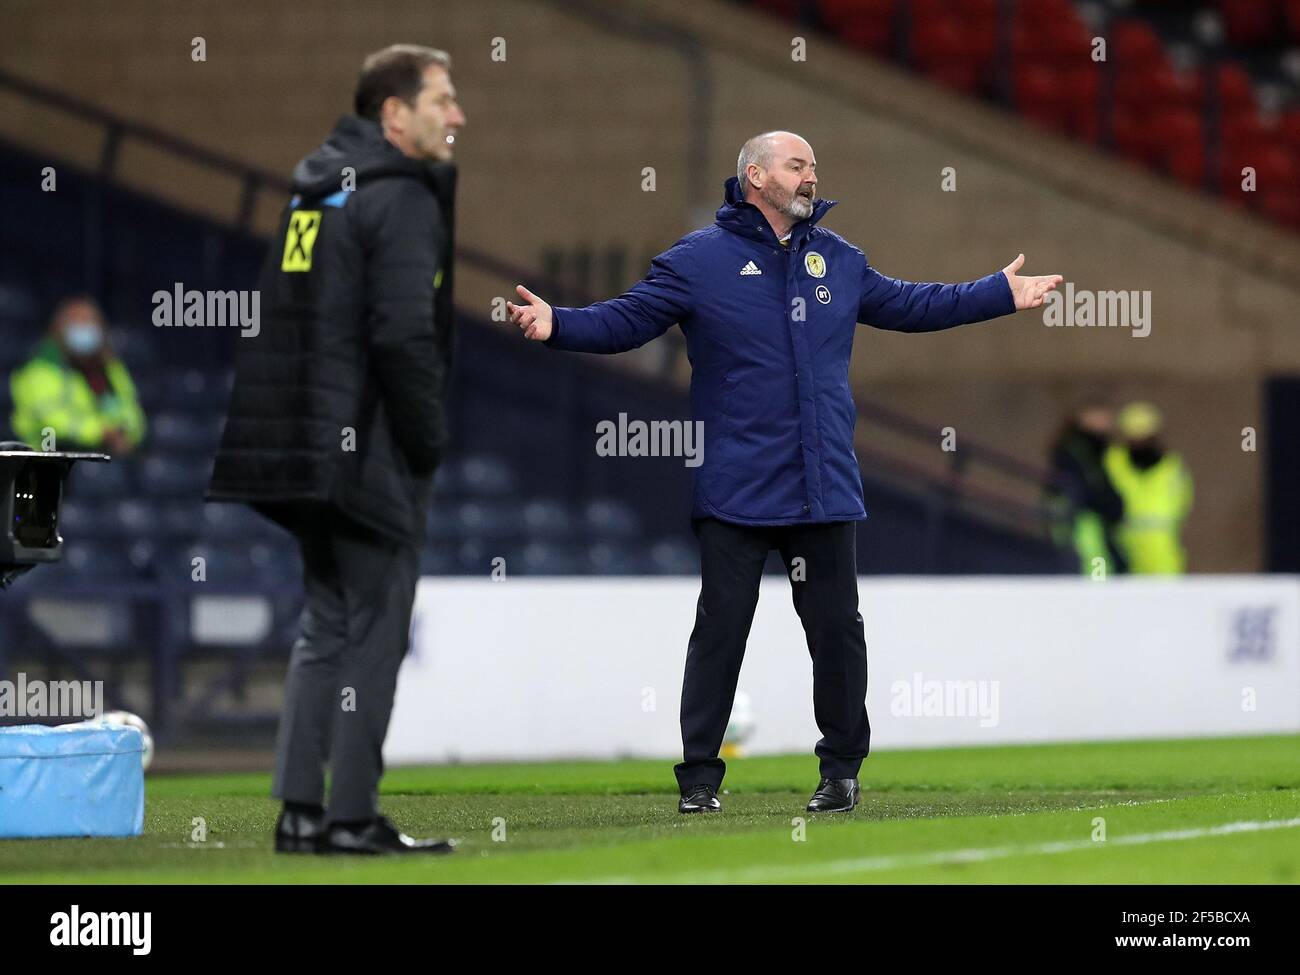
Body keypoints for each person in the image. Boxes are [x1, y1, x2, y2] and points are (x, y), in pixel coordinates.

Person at [508, 131, 1062, 814]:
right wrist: (556, 323)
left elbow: (915, 305)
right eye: (797, 165)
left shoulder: (839, 259)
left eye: (814, 166)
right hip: (736, 486)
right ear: (755, 175)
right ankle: (701, 780)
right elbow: (626, 321)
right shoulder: (697, 261)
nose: (811, 176)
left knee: (837, 632)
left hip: (822, 482)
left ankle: (841, 772)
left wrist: (996, 293)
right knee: (720, 630)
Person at [207, 44, 465, 854]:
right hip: (365, 445)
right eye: (442, 100)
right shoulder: (403, 196)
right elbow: (401, 336)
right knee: (374, 629)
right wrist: (426, 441)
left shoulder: (315, 188)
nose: (457, 116)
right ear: (395, 114)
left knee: (324, 625)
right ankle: (351, 815)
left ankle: (299, 811)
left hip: (295, 440)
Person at [10, 296, 145, 455]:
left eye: (90, 321)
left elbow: (132, 412)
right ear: (59, 328)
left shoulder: (111, 368)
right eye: (77, 322)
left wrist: (123, 432)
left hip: (106, 452)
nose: (84, 328)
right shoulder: (40, 368)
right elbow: (52, 421)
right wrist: (100, 432)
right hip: (48, 456)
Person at [1104, 401, 1193, 574]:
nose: (1139, 441)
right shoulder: (1112, 461)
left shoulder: (1171, 465)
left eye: (1144, 436)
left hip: (1162, 545)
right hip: (1122, 542)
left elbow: (1183, 500)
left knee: (1167, 595)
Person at [1045, 398, 1127, 576]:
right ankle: (1097, 597)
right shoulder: (1077, 450)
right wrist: (1104, 503)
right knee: (1096, 562)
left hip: (1091, 518)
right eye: (1100, 417)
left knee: (1100, 561)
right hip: (1084, 518)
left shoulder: (1099, 450)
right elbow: (1082, 486)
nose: (1107, 423)